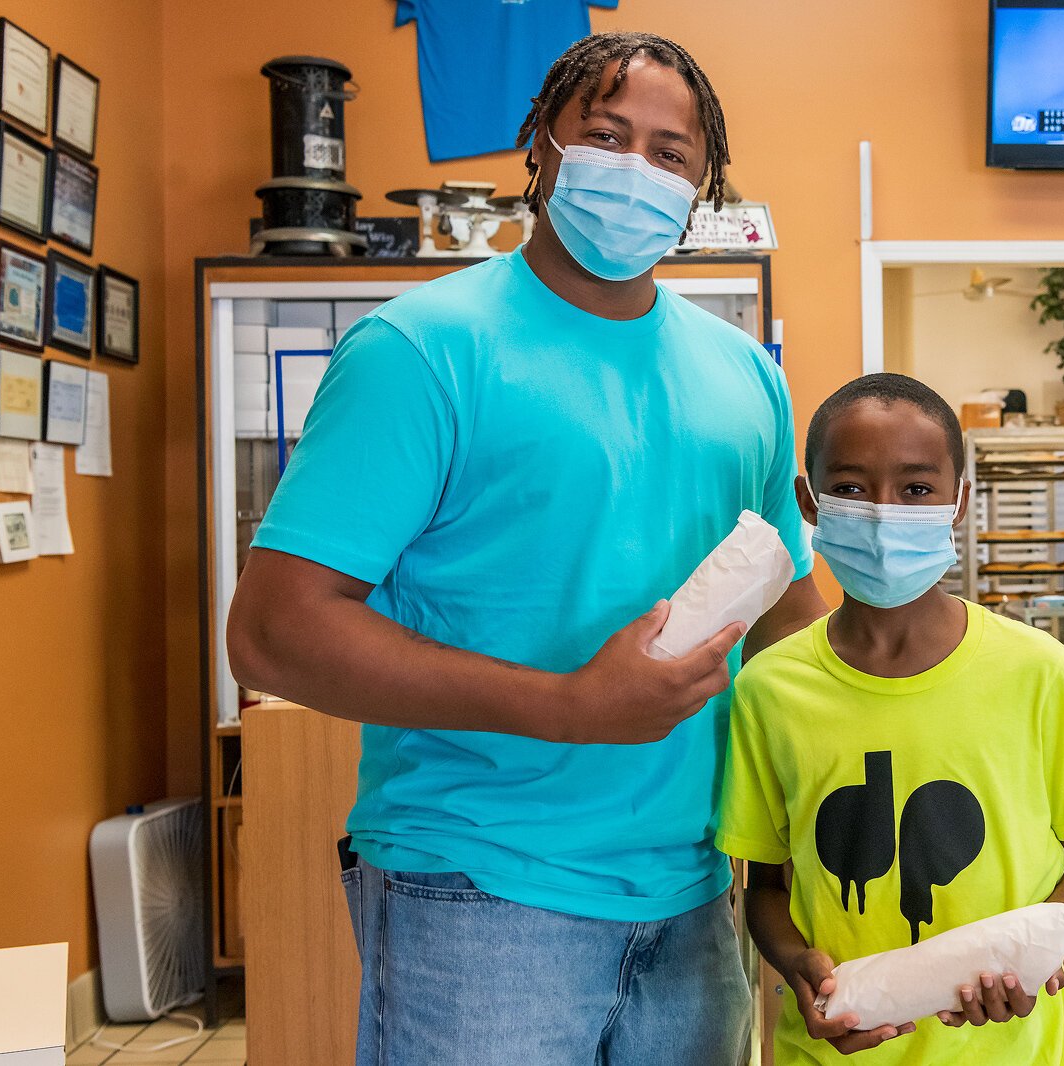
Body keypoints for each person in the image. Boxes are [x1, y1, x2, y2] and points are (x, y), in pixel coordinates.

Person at [225, 30, 827, 1066]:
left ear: (702, 190)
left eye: (670, 153)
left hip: (693, 890)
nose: (636, 170)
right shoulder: (421, 351)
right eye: (606, 134)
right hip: (476, 886)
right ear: (540, 148)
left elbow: (786, 623)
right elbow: (274, 633)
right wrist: (567, 708)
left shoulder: (745, 378)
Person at [716, 374, 1064, 1064]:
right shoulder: (770, 688)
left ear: (959, 502)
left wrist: (1043, 942)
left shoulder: (1034, 671)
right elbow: (766, 888)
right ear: (808, 502)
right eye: (849, 488)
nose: (882, 513)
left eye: (915, 489)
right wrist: (796, 965)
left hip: (1013, 1050)